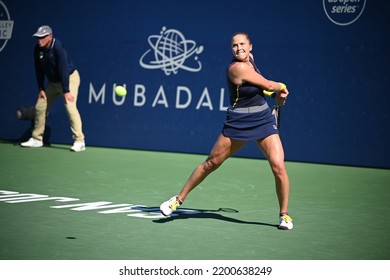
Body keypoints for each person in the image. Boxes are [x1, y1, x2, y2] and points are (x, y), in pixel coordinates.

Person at [160, 32, 293, 230]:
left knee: (278, 167)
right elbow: (268, 84)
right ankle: (177, 200)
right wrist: (281, 87)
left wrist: (275, 96)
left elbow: (261, 88)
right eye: (234, 45)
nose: (239, 48)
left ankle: (284, 215)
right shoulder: (236, 68)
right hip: (238, 122)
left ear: (250, 47)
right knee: (211, 163)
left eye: (242, 44)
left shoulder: (251, 61)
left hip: (263, 119)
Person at [21, 25, 86, 152]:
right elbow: (39, 70)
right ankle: (37, 139)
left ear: (50, 37)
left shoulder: (58, 47)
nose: (39, 40)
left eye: (42, 37)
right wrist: (41, 88)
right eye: (38, 37)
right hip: (52, 83)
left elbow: (63, 70)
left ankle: (79, 140)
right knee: (40, 106)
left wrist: (66, 90)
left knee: (70, 106)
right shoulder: (37, 49)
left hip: (69, 78)